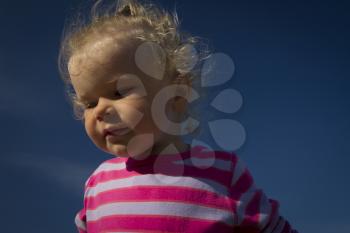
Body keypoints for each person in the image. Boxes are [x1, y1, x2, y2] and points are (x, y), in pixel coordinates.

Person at [58, 0, 299, 232]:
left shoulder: (224, 174)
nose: (100, 110)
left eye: (118, 92)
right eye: (89, 102)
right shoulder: (97, 184)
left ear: (176, 94)